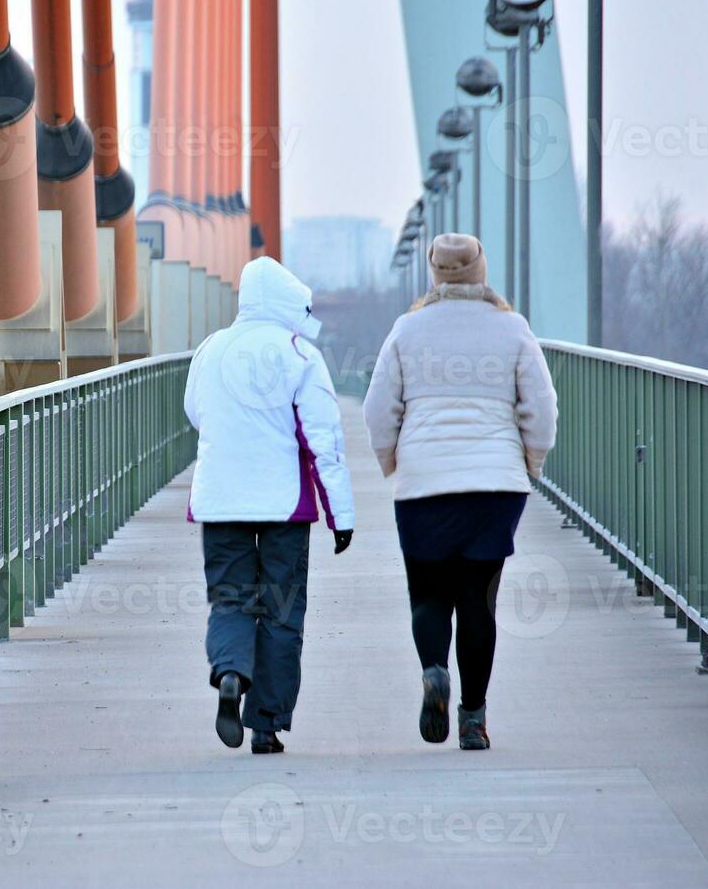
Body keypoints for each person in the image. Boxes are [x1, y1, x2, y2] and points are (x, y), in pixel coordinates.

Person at [363, 233, 557, 751]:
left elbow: (378, 410)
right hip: (494, 488)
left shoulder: (407, 330)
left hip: (424, 485)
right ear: (479, 271)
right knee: (479, 601)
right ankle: (473, 718)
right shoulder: (512, 328)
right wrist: (528, 463)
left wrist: (394, 462)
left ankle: (434, 671)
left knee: (428, 592)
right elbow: (542, 410)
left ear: (434, 274)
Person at [184, 257, 355, 754]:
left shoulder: (211, 349)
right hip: (284, 505)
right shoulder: (300, 353)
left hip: (220, 500)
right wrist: (340, 516)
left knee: (231, 599)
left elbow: (196, 412)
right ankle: (266, 725)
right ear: (290, 303)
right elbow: (325, 441)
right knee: (281, 612)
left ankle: (231, 671)